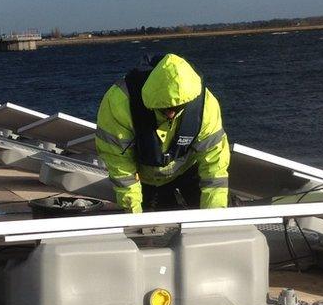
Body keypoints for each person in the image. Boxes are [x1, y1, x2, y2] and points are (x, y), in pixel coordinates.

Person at [94, 53, 230, 213]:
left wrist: (214, 220)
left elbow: (214, 167)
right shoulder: (118, 104)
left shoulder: (206, 107)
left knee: (210, 212)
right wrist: (134, 215)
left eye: (177, 108)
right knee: (148, 228)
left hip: (188, 171)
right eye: (164, 109)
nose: (171, 114)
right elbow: (121, 168)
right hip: (143, 179)